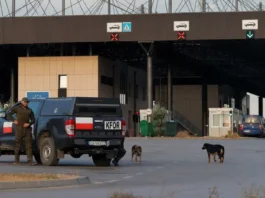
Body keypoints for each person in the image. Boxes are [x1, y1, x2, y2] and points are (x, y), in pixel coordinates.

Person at [7, 97, 36, 166]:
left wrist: (29, 123)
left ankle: (30, 161)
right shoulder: (17, 108)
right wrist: (14, 120)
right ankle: (16, 161)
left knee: (29, 145)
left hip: (27, 129)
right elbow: (9, 114)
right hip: (19, 128)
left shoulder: (30, 110)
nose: (26, 103)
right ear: (22, 102)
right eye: (25, 102)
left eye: (27, 102)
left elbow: (33, 120)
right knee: (18, 145)